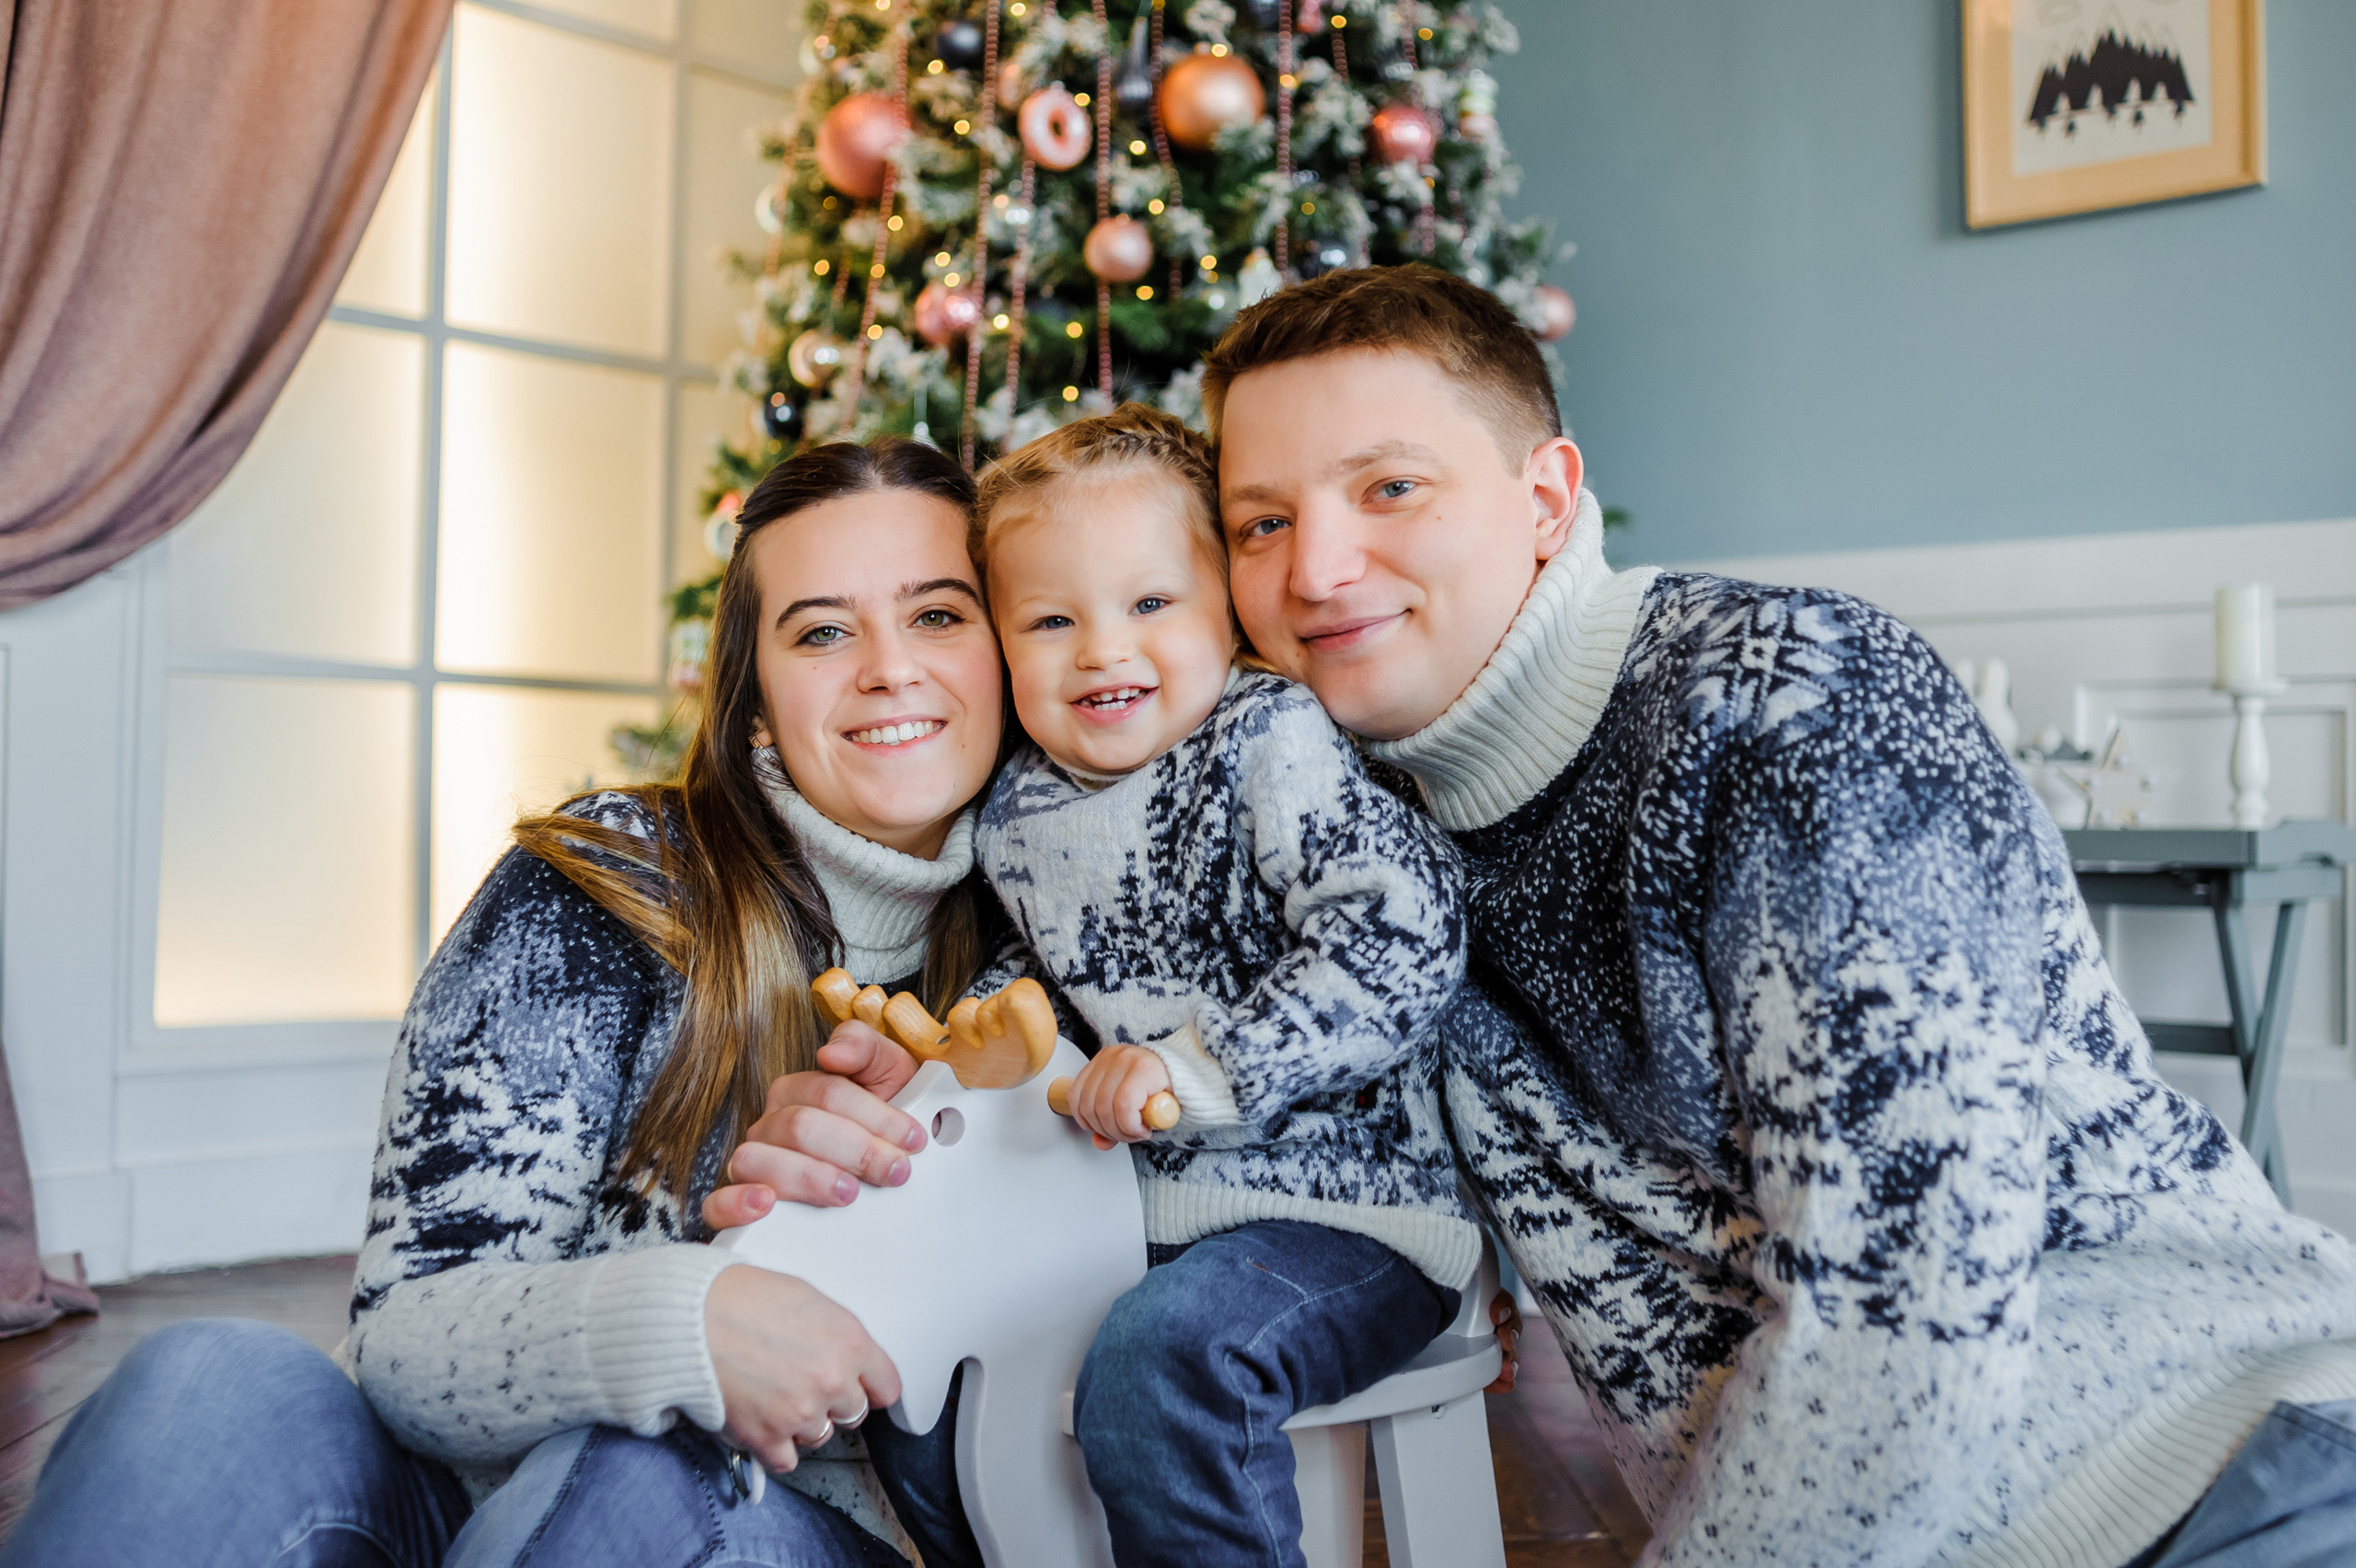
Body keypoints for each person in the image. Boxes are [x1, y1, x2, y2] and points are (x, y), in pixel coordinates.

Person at [1199, 265, 2356, 1568]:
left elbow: (1903, 1299)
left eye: (1388, 487)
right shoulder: (1346, 843)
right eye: (1257, 524)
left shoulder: (1789, 696)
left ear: (1544, 500)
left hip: (2222, 1468)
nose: (1318, 567)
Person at [0, 438, 1011, 1568]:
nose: (888, 668)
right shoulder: (607, 888)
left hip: (794, 1533)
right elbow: (407, 1336)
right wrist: (686, 1318)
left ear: (1008, 644)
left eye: (938, 615)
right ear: (756, 703)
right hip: (470, 1502)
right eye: (821, 630)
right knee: (208, 1383)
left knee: (648, 1479)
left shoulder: (1078, 935)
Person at [938, 406, 1471, 1567]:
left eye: (1148, 604)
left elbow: (1397, 938)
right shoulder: (1016, 811)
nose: (1101, 651)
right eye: (1048, 619)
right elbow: (1038, 996)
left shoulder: (1265, 738)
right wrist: (977, 1053)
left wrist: (1197, 1070)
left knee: (1167, 1356)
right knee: (946, 1359)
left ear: (1225, 608)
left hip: (1347, 1213)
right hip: (1135, 1224)